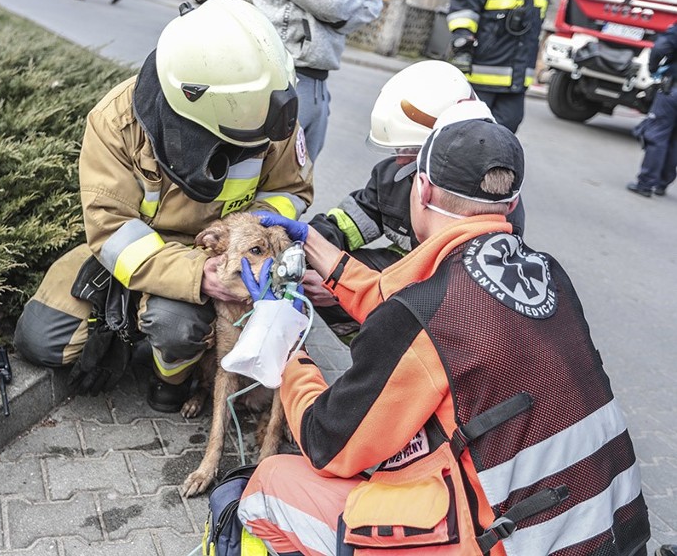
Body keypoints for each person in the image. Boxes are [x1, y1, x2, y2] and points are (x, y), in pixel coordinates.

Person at [237, 119, 650, 555]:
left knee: (268, 485)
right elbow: (421, 308)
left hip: (510, 543)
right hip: (612, 533)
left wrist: (281, 334)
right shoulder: (549, 274)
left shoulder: (425, 316)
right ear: (509, 205)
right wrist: (321, 250)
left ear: (423, 190)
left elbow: (327, 442)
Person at [13, 0, 313, 413]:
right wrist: (194, 274)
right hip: (134, 253)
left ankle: (171, 380)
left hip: (221, 254)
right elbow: (113, 230)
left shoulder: (262, 107)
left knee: (176, 327)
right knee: (41, 340)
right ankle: (127, 325)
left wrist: (241, 249)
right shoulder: (116, 122)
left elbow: (291, 192)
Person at [304, 60, 524, 332]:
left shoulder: (491, 202)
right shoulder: (393, 177)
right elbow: (347, 222)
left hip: (442, 316)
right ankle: (371, 354)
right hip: (400, 281)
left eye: (407, 149)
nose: (399, 161)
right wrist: (300, 247)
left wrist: (349, 288)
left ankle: (389, 364)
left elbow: (454, 294)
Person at [249, 0, 383, 163]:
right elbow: (332, 3)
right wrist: (343, 14)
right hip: (286, 79)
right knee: (275, 173)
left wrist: (340, 15)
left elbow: (373, 5)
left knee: (300, 180)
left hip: (317, 83)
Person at [446, 0, 551, 133]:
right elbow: (464, 5)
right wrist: (463, 37)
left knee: (506, 129)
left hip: (516, 81)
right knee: (469, 131)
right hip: (480, 76)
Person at [628, 21, 677, 197]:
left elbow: (661, 48)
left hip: (673, 91)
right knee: (674, 138)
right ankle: (662, 183)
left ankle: (646, 183)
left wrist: (653, 68)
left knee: (657, 135)